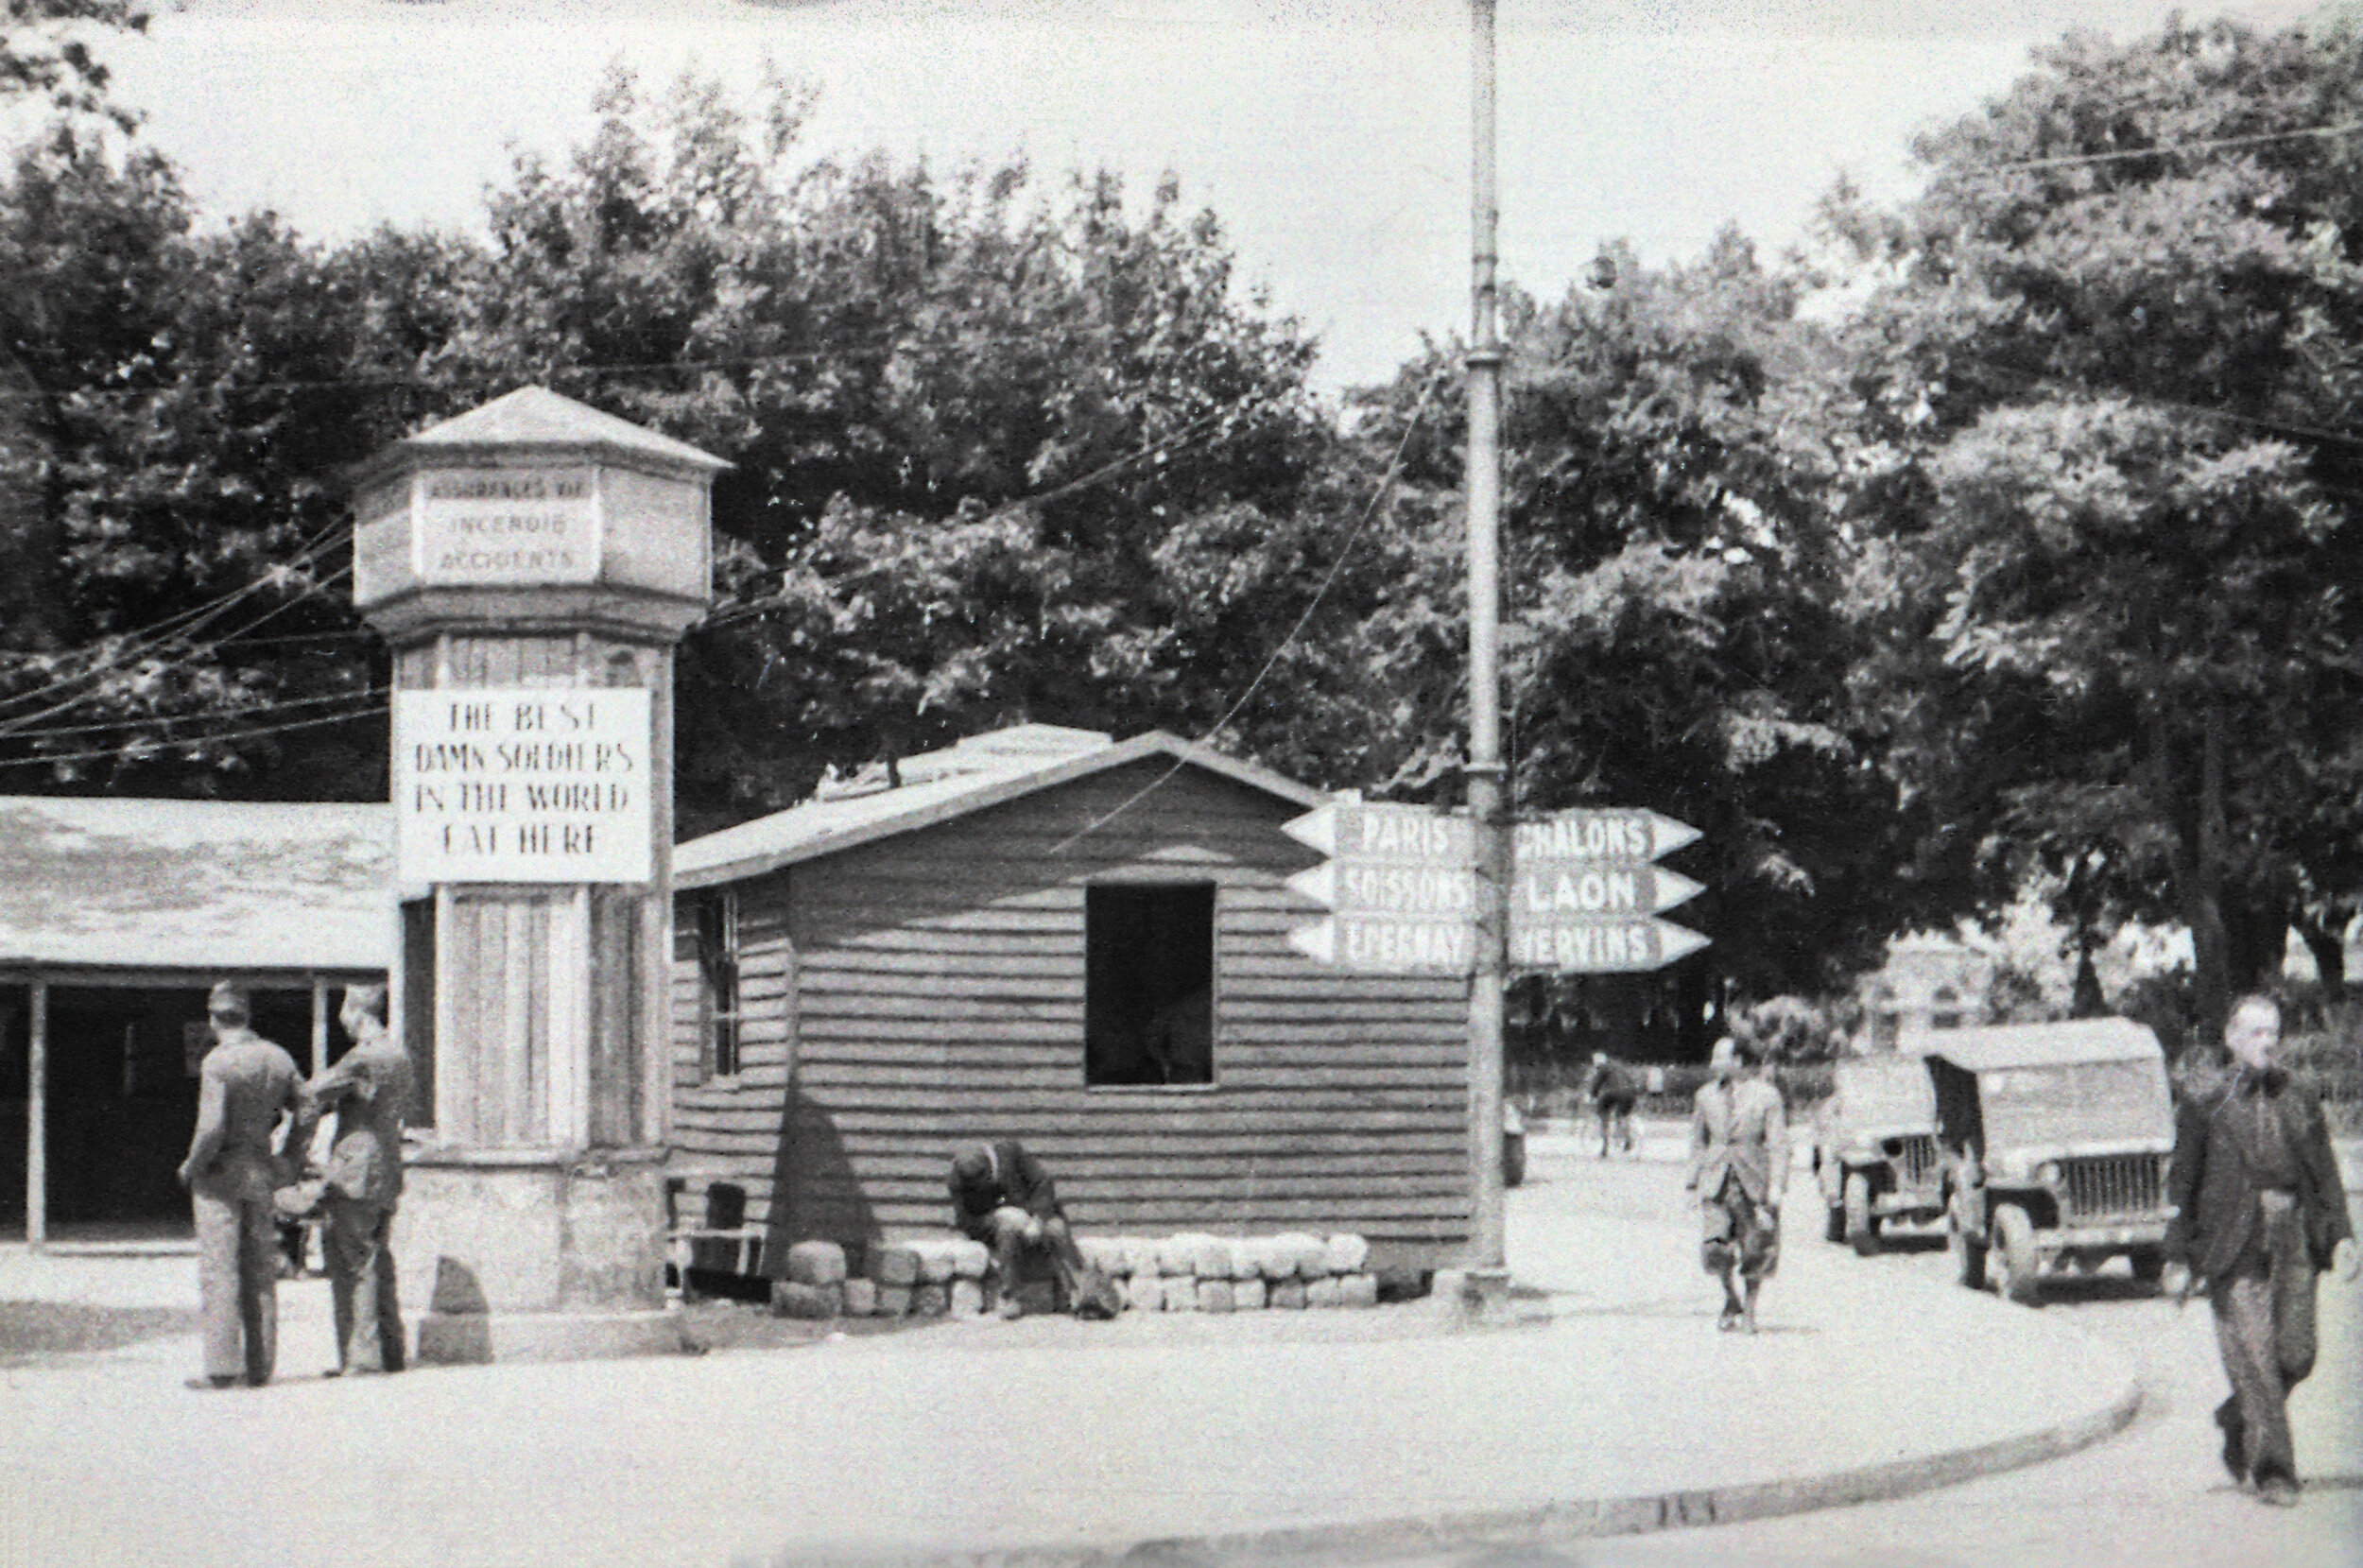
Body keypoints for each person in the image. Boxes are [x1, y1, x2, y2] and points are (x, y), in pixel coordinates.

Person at [2162, 993, 2358, 1507]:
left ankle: (2237, 1417)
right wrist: (2178, 1254)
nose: (2267, 1042)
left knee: (2297, 1352)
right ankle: (2274, 1471)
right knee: (2255, 1355)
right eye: (2255, 1032)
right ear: (2230, 1037)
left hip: (2294, 1233)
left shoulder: (2299, 1094)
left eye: (2273, 1032)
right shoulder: (2205, 1101)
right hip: (2232, 1241)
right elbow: (2181, 1182)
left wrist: (2341, 1237)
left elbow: (2325, 1173)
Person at [175, 982, 303, 1389]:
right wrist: (292, 1158)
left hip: (220, 1176)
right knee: (260, 1268)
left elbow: (211, 1128)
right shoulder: (278, 1058)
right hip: (261, 1170)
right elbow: (310, 1105)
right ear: (247, 1015)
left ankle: (222, 1368)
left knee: (220, 1267)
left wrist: (191, 1166)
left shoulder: (218, 1062)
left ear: (214, 1018)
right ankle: (261, 1365)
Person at [290, 984, 414, 1377]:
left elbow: (312, 1092)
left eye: (345, 1009)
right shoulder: (399, 1054)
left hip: (355, 1169)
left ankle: (361, 1358)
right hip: (388, 1168)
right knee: (379, 1259)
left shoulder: (361, 1058)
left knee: (351, 1262)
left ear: (355, 1011)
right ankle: (390, 1352)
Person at [1684, 1036, 1787, 1334]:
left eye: (1720, 1057)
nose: (1713, 1064)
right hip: (1716, 1180)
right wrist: (1692, 1183)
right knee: (1714, 1248)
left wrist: (1777, 1185)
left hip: (1753, 1182)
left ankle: (1750, 1311)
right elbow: (1697, 1142)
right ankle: (1731, 1297)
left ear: (1738, 1061)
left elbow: (1779, 1144)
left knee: (1756, 1248)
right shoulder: (1705, 1096)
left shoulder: (1767, 1096)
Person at [948, 1139, 1088, 1319]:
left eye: (982, 1179)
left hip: (1036, 1215)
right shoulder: (958, 1179)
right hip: (998, 1225)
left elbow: (1043, 1185)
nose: (979, 1186)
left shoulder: (1012, 1153)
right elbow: (966, 1221)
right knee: (1008, 1229)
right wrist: (996, 1216)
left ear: (989, 1164)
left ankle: (1078, 1291)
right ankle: (1009, 1296)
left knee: (1057, 1229)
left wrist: (1036, 1220)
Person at [1583, 1050, 1639, 1158]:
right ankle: (1627, 1139)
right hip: (1630, 1093)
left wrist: (1590, 1096)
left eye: (1595, 1062)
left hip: (1614, 1093)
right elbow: (1631, 1081)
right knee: (1622, 1115)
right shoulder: (1619, 1067)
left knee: (1603, 1113)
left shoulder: (1603, 1068)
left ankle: (1605, 1149)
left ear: (1598, 1061)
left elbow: (1596, 1084)